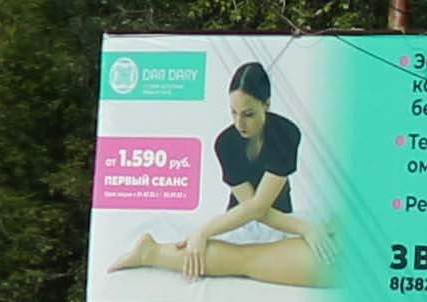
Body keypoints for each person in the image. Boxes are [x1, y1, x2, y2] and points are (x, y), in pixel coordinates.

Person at [107, 62, 335, 286]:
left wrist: (303, 227)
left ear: (267, 104)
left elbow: (262, 206)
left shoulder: (286, 133)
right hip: (240, 217)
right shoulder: (226, 143)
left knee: (323, 246)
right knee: (229, 255)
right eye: (233, 112)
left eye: (248, 114)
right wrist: (202, 233)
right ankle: (148, 251)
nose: (239, 123)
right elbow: (252, 208)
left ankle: (151, 250)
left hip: (282, 216)